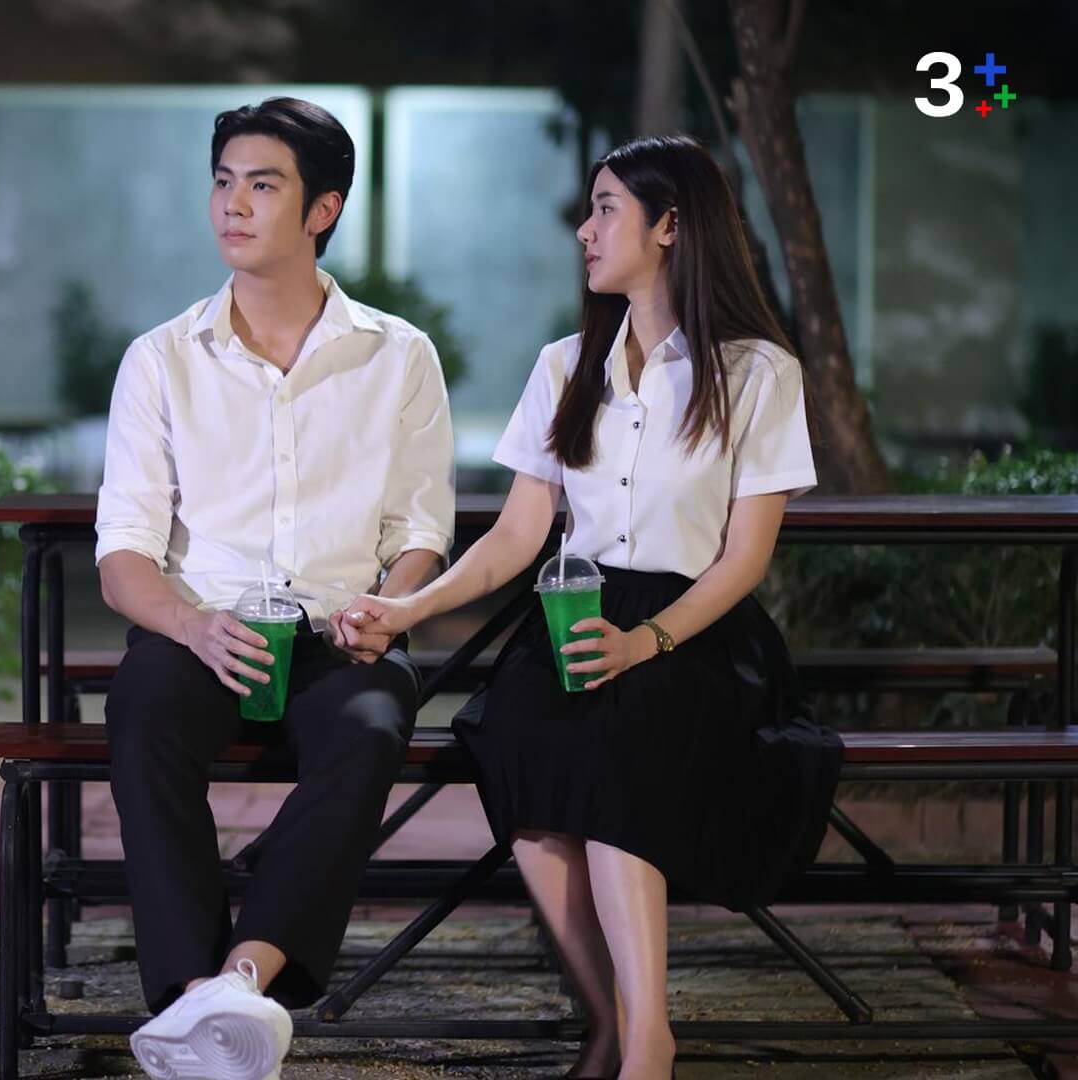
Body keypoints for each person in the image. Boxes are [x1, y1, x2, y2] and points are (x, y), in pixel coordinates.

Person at [339, 134, 843, 1080]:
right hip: (575, 616)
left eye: (607, 208)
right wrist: (405, 611)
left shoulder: (758, 373)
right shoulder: (566, 364)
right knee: (519, 739)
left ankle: (649, 1040)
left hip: (692, 629)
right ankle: (609, 1020)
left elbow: (744, 560)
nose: (585, 229)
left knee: (617, 739)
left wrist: (645, 642)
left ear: (671, 225)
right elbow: (516, 537)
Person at [96, 96, 456, 1079]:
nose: (233, 204)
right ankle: (189, 991)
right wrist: (191, 626)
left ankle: (239, 983)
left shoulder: (396, 356)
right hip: (200, 631)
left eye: (263, 185)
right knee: (143, 711)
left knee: (371, 726)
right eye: (223, 181)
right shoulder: (163, 359)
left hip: (342, 635)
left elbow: (419, 532)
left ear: (322, 210)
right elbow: (124, 555)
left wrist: (390, 605)